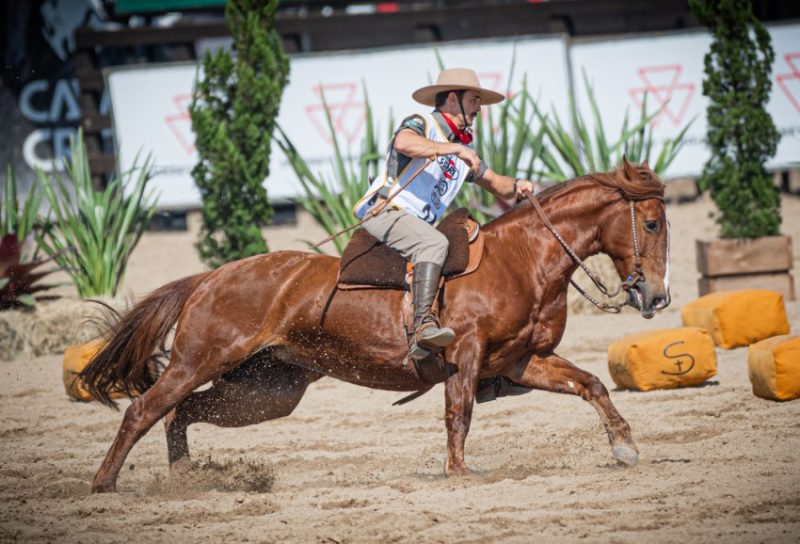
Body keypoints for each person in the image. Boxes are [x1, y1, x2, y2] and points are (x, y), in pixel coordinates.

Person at [353, 68, 540, 362]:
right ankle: (422, 328)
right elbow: (403, 143)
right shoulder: (422, 122)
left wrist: (517, 185)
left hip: (414, 223)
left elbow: (494, 183)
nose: (479, 107)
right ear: (453, 100)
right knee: (434, 245)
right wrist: (452, 148)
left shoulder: (461, 148)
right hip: (385, 210)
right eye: (474, 99)